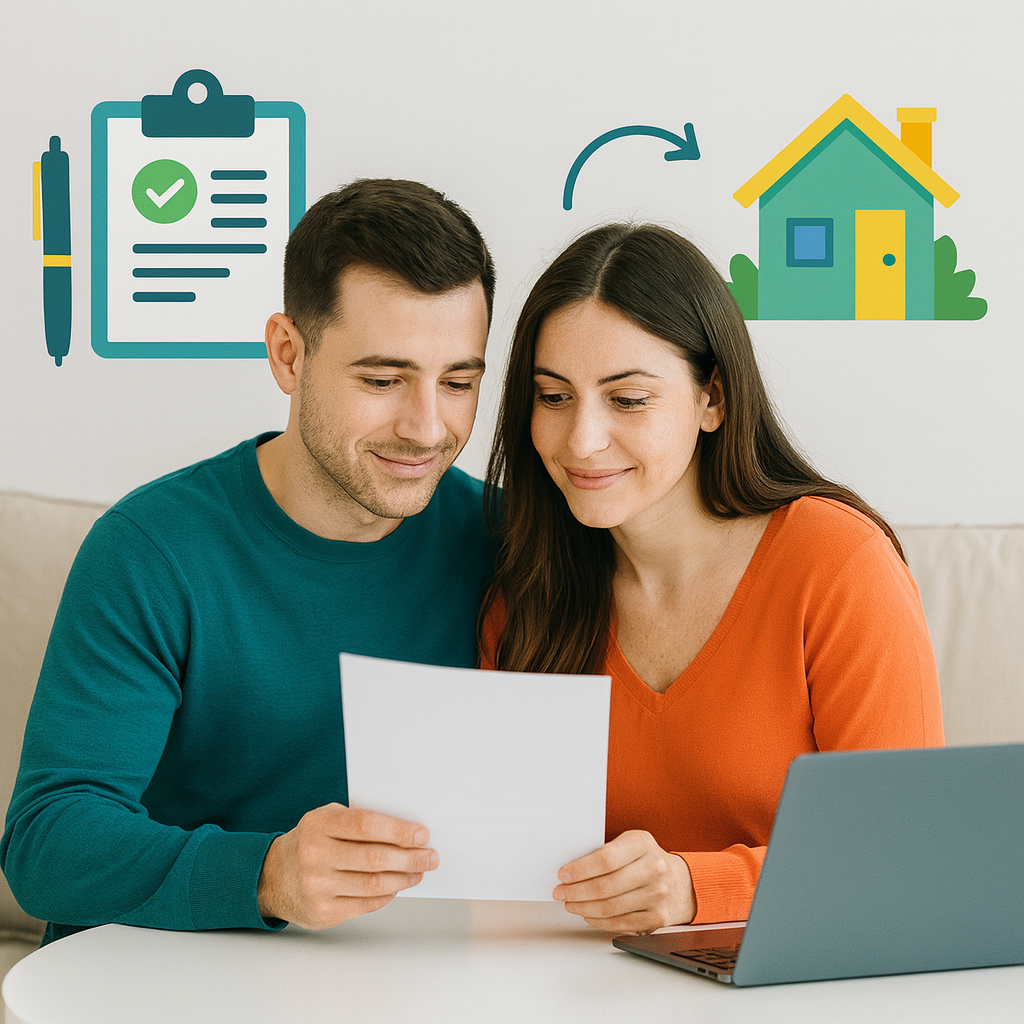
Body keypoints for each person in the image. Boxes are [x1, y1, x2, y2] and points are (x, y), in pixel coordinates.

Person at [2, 178, 496, 944]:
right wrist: (266, 874)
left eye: (459, 382)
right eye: (382, 380)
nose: (428, 427)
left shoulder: (506, 542)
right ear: (288, 355)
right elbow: (46, 844)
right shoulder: (151, 549)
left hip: (390, 976)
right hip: (154, 975)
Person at [479, 222, 943, 933]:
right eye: (553, 396)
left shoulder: (838, 565)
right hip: (582, 977)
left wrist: (698, 888)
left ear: (712, 400)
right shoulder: (526, 598)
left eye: (627, 399)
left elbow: (904, 853)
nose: (582, 440)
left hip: (806, 975)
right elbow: (501, 865)